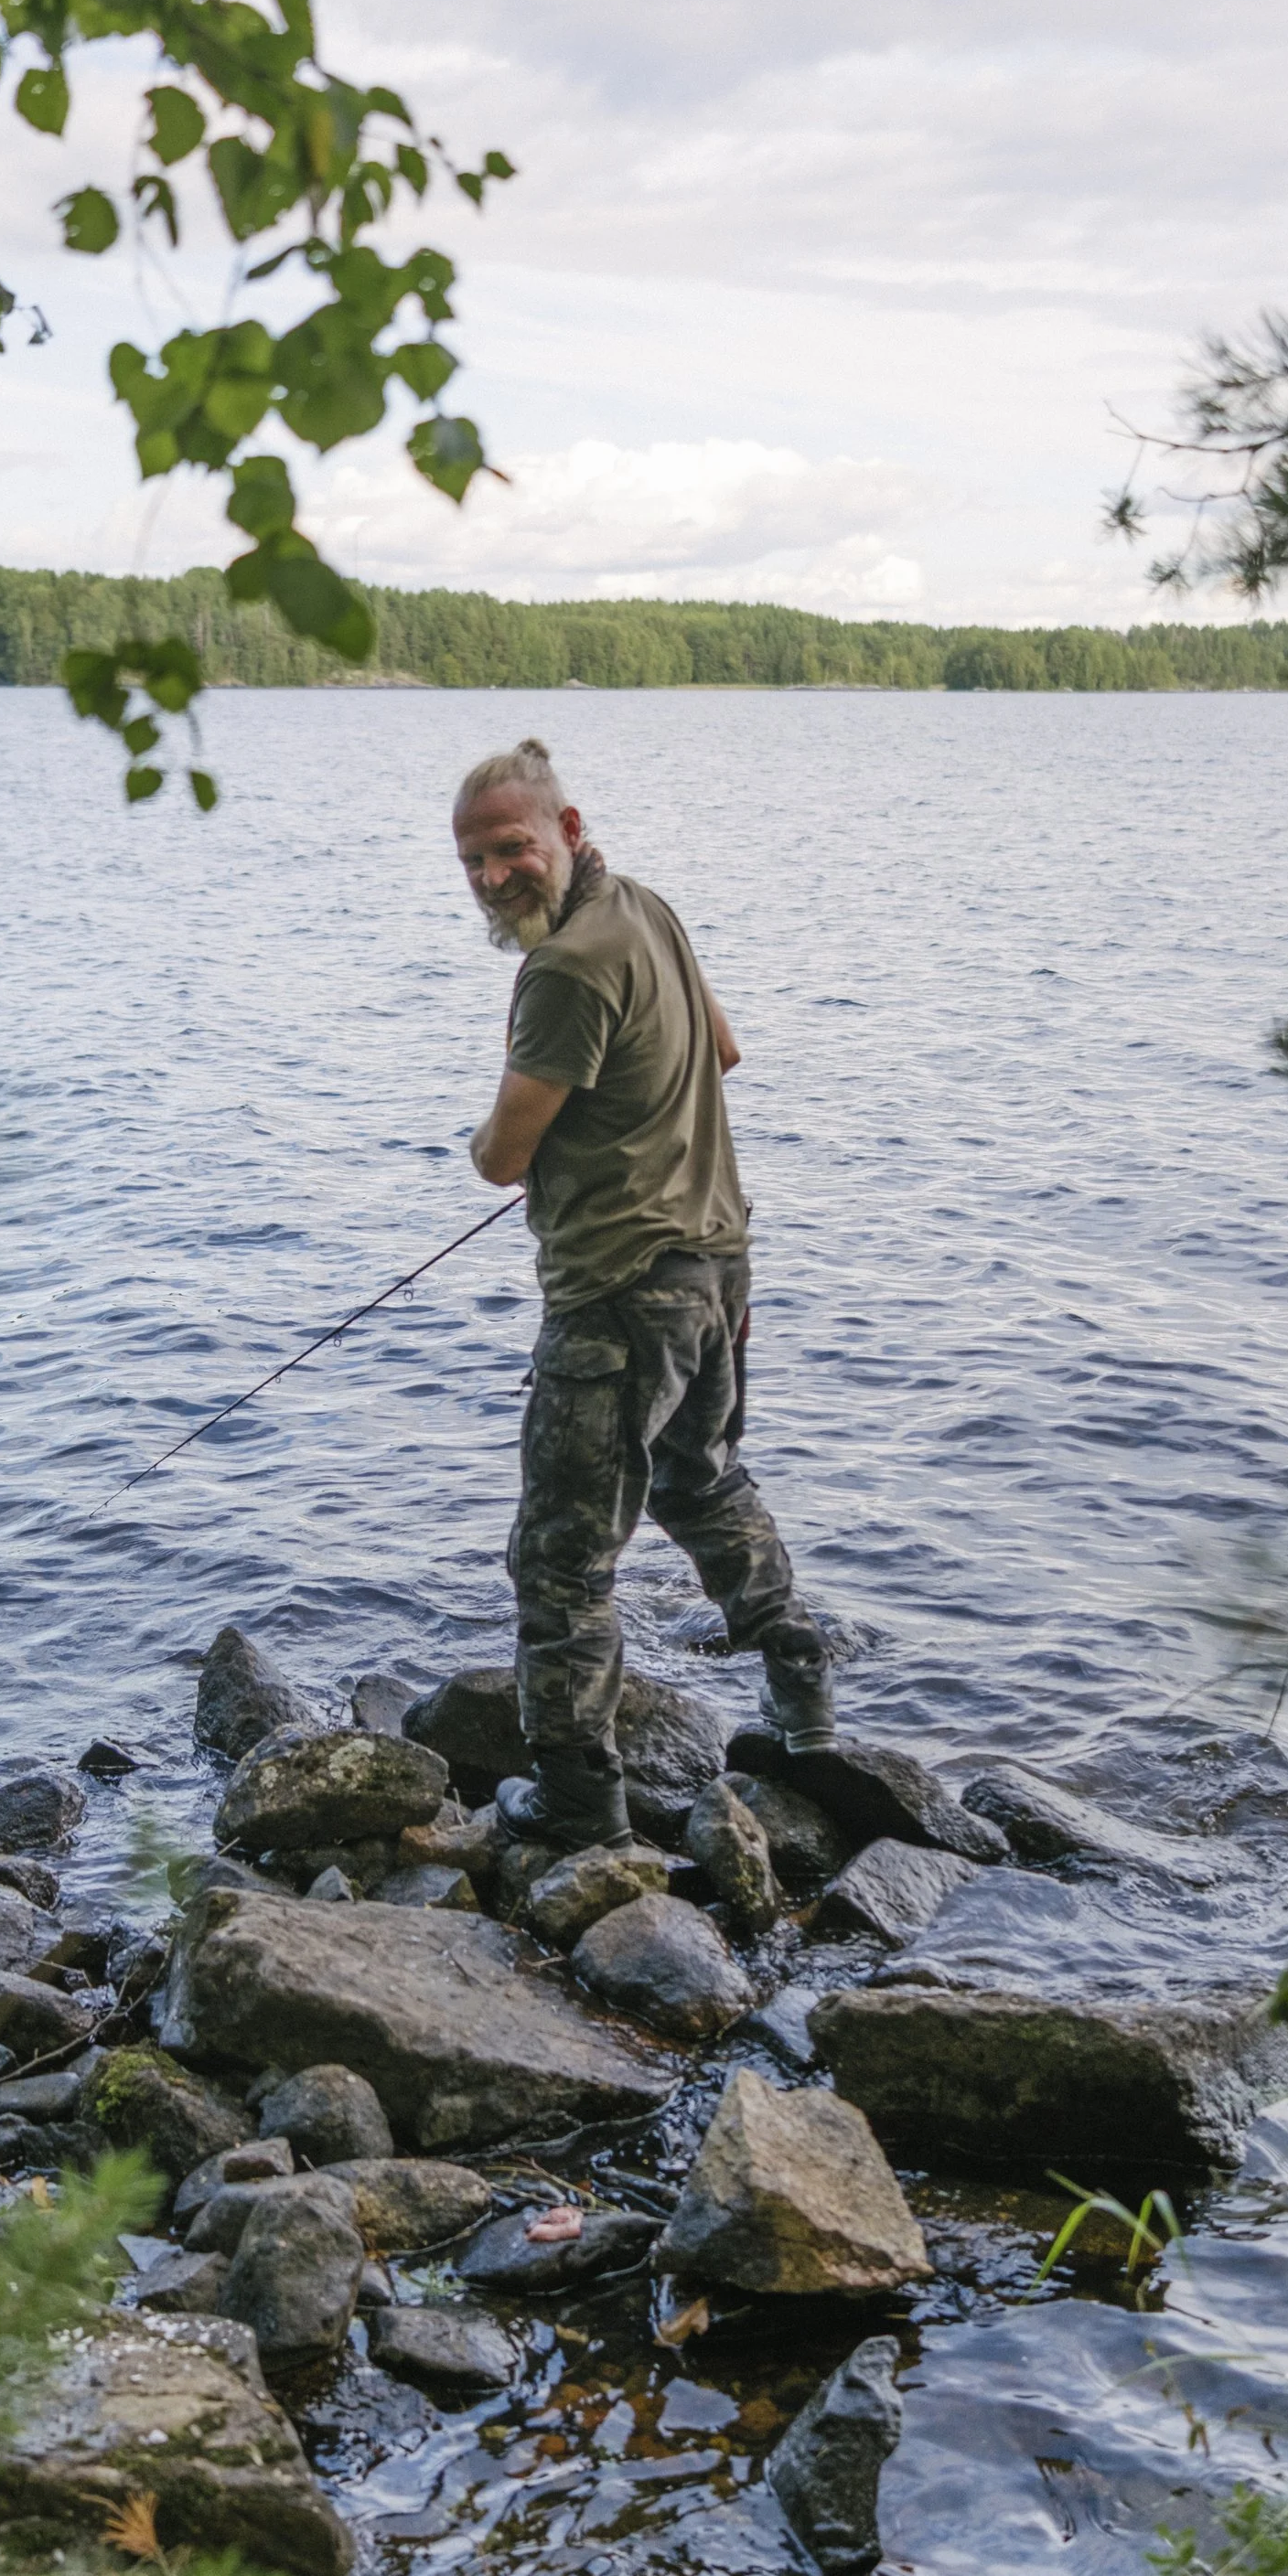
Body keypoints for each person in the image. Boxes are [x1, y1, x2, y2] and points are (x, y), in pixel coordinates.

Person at [456, 734, 833, 1850]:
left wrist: (506, 1138)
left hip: (617, 1293)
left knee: (561, 1553)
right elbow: (718, 1050)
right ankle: (801, 1690)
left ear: (567, 830)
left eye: (510, 848)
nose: (491, 876)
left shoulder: (565, 967)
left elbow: (503, 1155)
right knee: (701, 1478)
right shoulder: (648, 909)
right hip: (716, 1266)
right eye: (472, 860)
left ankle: (578, 1792)